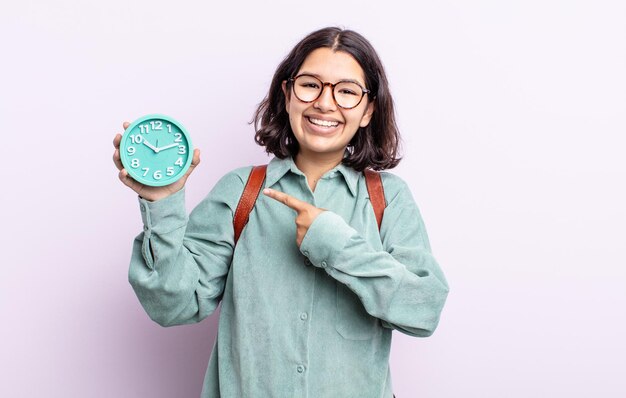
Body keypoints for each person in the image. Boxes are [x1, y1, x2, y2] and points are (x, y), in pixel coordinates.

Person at [112, 26, 449, 398]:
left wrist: (335, 245)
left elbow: (424, 310)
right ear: (288, 94)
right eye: (310, 85)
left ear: (368, 111)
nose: (325, 103)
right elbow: (173, 305)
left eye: (347, 92)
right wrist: (162, 203)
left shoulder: (389, 198)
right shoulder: (241, 192)